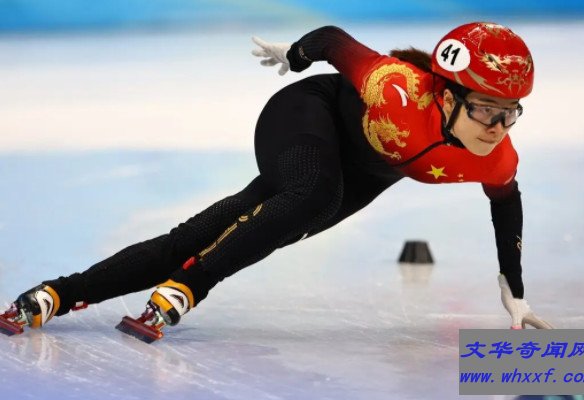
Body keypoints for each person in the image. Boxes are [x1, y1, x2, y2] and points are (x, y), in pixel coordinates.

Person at [0, 22, 552, 342]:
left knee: (235, 228)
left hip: (360, 174)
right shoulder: (395, 88)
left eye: (510, 114)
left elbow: (507, 206)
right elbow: (333, 40)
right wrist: (295, 55)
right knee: (314, 195)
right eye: (485, 110)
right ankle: (190, 285)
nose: (497, 128)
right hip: (308, 115)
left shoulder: (496, 158)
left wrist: (516, 290)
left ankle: (59, 293)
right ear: (448, 96)